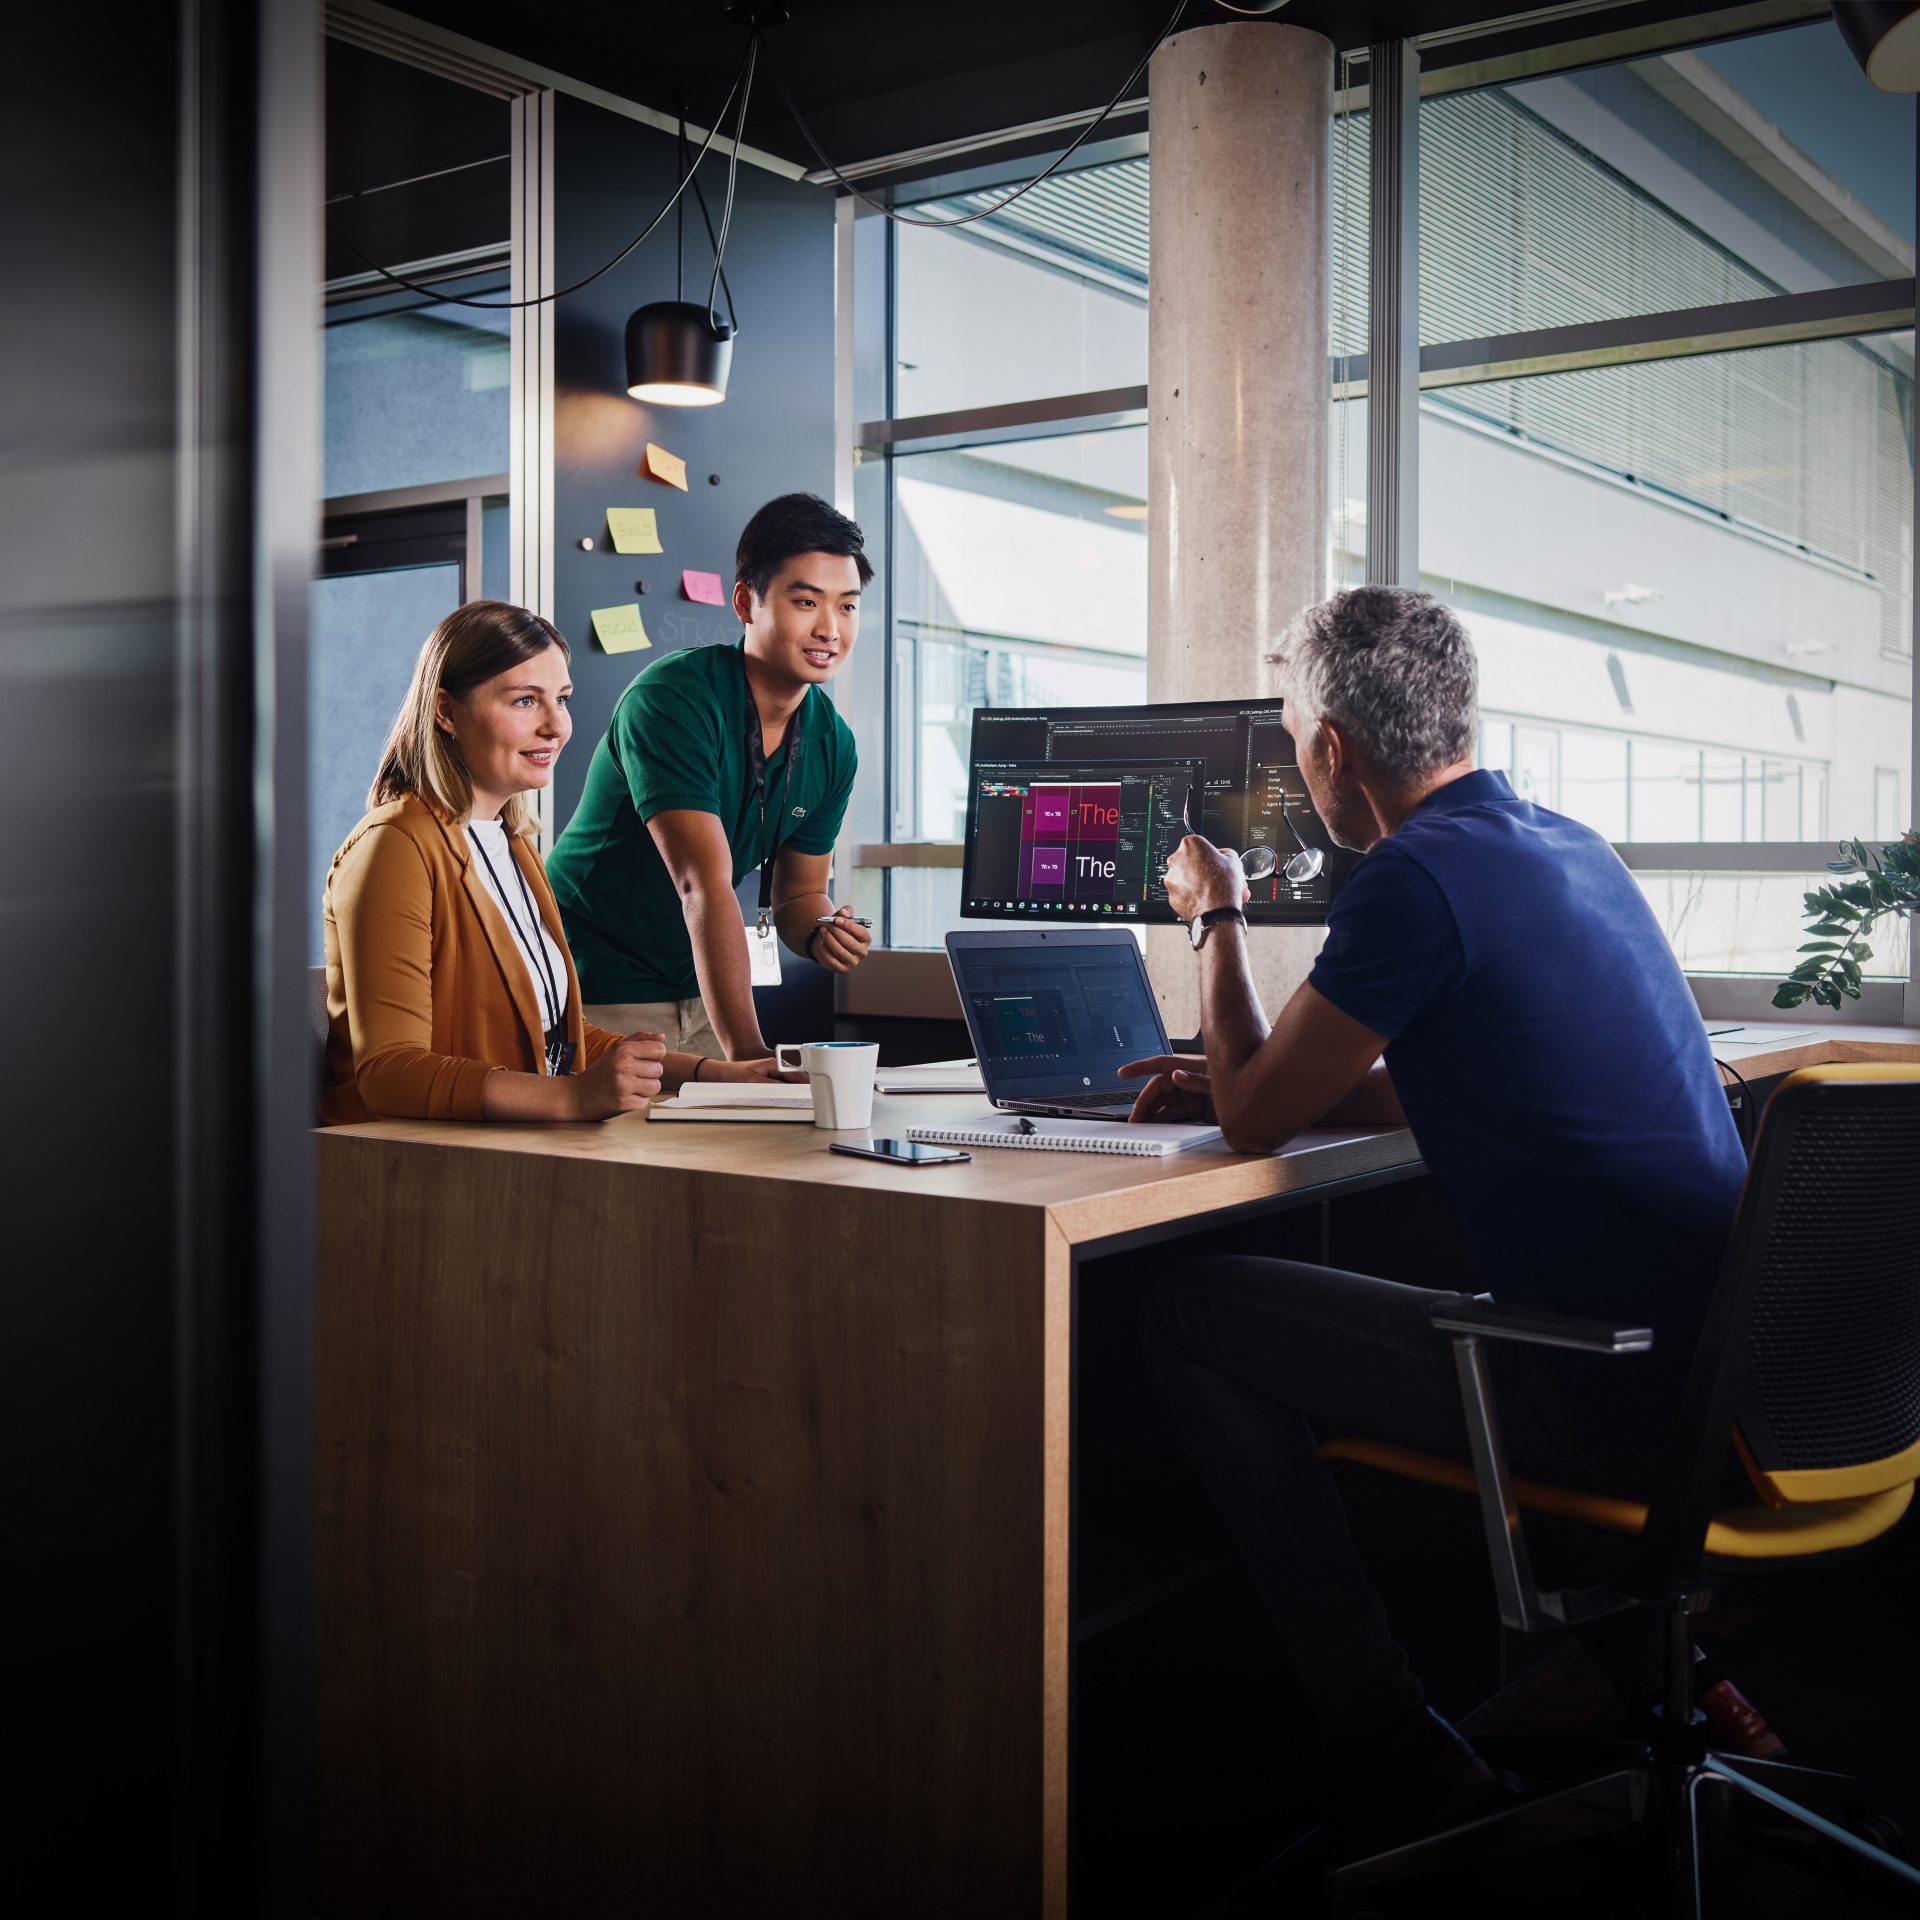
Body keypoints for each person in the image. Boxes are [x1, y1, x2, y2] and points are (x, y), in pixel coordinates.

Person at [1120, 586, 1760, 1850]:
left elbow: (1252, 1123)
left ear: (1330, 751)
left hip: (1604, 1388)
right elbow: (1443, 1072)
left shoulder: (1414, 876)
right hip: (1732, 1378)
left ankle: (1387, 1735)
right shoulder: (1567, 845)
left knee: (1191, 1310)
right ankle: (1675, 1682)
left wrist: (1223, 915)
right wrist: (1274, 1074)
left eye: (1296, 731)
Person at [321, 600, 788, 1127]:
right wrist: (574, 1099)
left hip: (506, 1149)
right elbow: (390, 1071)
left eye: (560, 699)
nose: (555, 726)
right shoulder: (395, 846)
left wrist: (714, 1073)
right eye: (524, 701)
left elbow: (558, 1038)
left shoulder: (513, 844)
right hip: (413, 1166)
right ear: (446, 712)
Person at [548, 493, 873, 1060]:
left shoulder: (833, 744)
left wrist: (821, 929)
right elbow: (702, 883)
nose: (830, 629)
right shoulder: (673, 699)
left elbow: (797, 894)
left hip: (703, 986)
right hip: (594, 982)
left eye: (847, 606)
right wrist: (749, 1058)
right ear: (746, 603)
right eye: (805, 601)